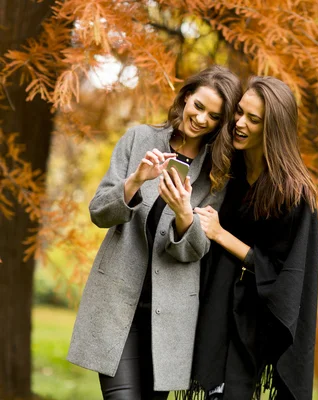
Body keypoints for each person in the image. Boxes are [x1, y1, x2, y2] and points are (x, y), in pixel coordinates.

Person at [67, 65, 242, 399]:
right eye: (199, 106)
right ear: (186, 98)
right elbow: (99, 212)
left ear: (222, 123)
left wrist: (183, 213)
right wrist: (136, 180)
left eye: (215, 116)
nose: (202, 119)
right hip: (118, 306)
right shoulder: (138, 140)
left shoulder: (217, 173)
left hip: (170, 318)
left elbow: (194, 250)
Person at [181, 76, 318, 400]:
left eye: (253, 119)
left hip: (255, 325)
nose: (240, 124)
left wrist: (221, 235)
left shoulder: (293, 193)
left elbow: (286, 275)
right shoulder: (230, 169)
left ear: (272, 128)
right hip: (215, 308)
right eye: (240, 113)